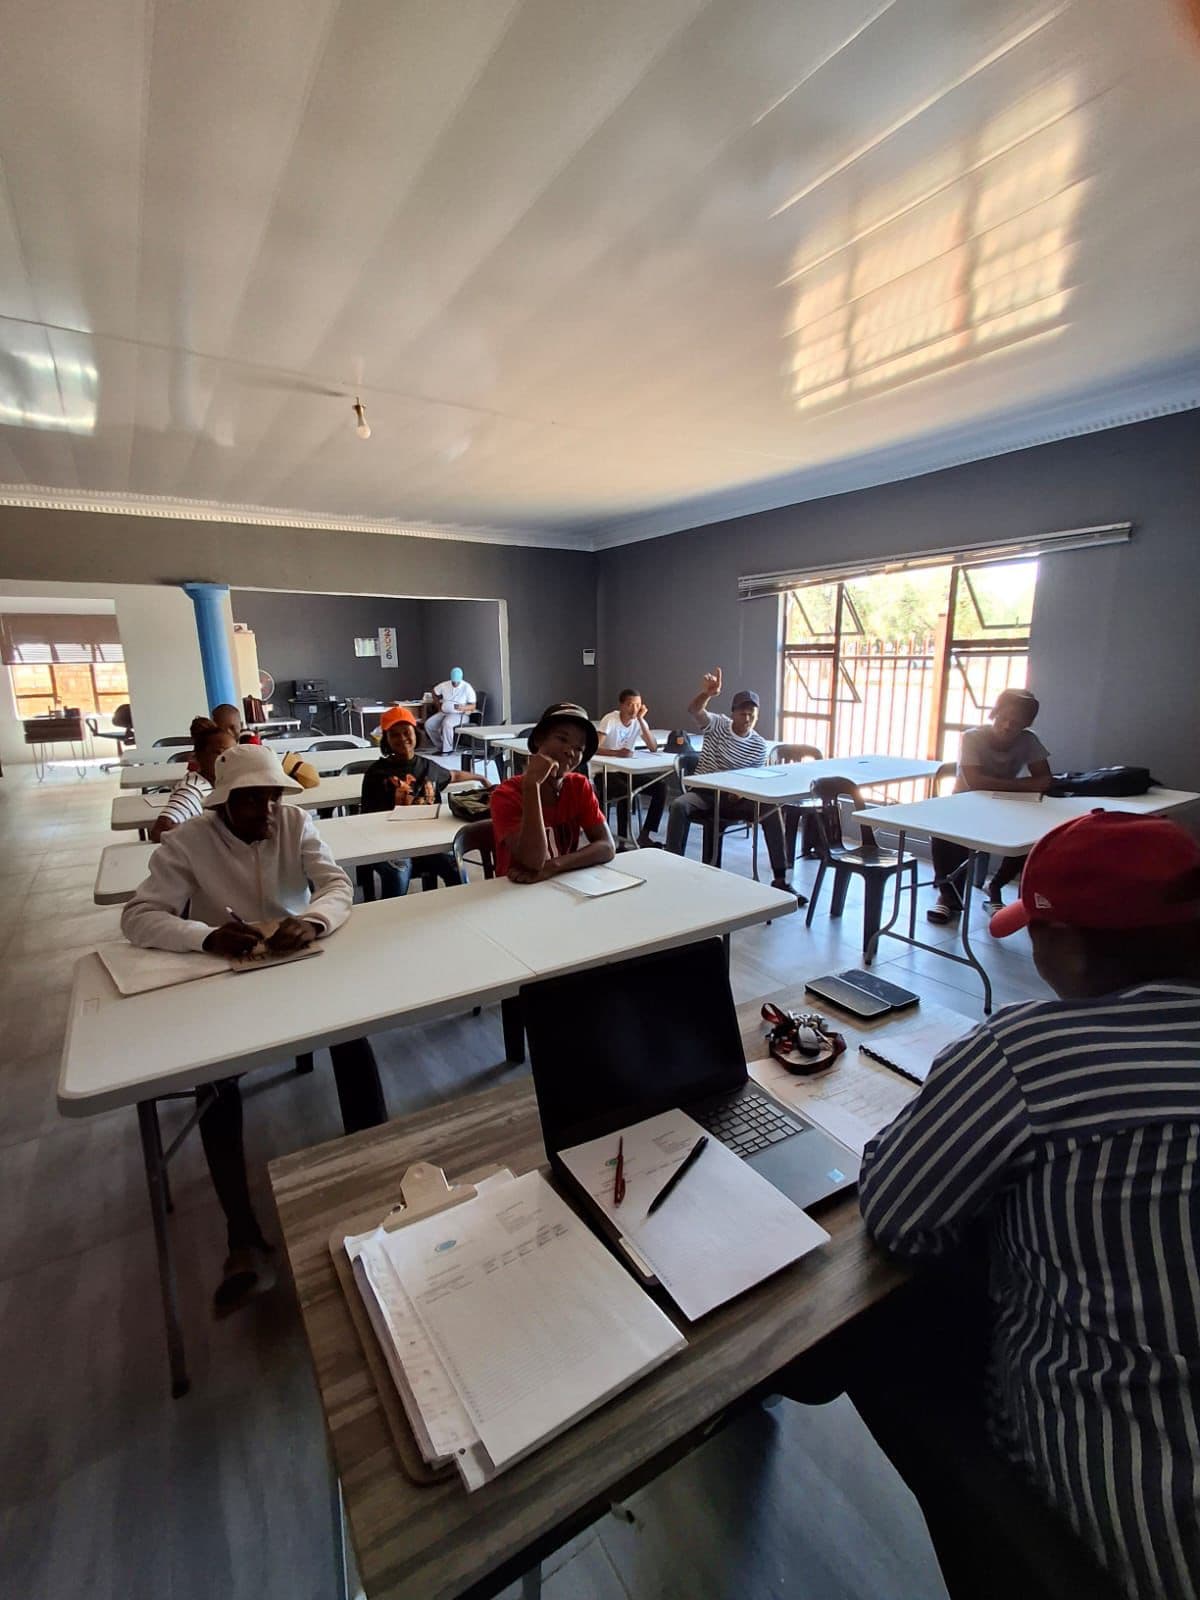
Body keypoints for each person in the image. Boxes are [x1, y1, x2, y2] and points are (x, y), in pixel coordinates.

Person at [841, 811, 1200, 1599]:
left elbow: (899, 1214)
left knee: (866, 1322)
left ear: (1065, 942)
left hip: (1130, 1519)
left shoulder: (1027, 1051)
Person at [121, 744, 387, 1311]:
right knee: (217, 1081)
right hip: (228, 973)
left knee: (353, 1038)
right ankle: (240, 1234)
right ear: (223, 804)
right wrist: (205, 936)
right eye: (251, 801)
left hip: (299, 962)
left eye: (272, 796)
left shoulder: (295, 821)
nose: (267, 810)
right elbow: (139, 916)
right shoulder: (188, 842)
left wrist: (312, 920)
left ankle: (379, 1182)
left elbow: (337, 885)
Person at [664, 668, 803, 900]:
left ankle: (780, 878)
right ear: (733, 713)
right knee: (679, 805)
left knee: (770, 810)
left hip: (736, 798)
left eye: (752, 714)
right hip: (705, 793)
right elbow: (694, 710)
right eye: (742, 713)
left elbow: (753, 779)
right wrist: (707, 694)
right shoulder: (717, 724)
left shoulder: (759, 745)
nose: (747, 718)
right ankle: (671, 865)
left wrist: (741, 792)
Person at [928, 687, 1051, 924]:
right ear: (995, 714)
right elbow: (975, 783)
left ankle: (995, 887)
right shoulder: (972, 737)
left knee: (1034, 838)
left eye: (1015, 723)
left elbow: (1045, 780)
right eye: (1004, 718)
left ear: (1025, 724)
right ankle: (948, 896)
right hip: (966, 803)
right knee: (943, 832)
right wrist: (1023, 784)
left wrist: (996, 785)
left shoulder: (1029, 740)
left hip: (1006, 805)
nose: (1007, 726)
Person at [357, 706, 474, 899]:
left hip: (427, 842)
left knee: (456, 867)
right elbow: (368, 819)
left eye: (406, 732)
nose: (402, 738)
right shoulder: (376, 773)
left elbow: (453, 775)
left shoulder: (428, 766)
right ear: (385, 739)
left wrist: (481, 779)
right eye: (394, 735)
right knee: (399, 872)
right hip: (389, 845)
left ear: (415, 734)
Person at [490, 702, 615, 882]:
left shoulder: (579, 786)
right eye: (562, 739)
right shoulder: (506, 794)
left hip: (561, 881)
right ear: (539, 739)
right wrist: (532, 785)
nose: (570, 751)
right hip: (516, 890)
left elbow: (607, 847)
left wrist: (554, 866)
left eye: (579, 748)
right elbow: (532, 862)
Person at [597, 689, 665, 847]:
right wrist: (616, 753)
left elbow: (653, 747)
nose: (634, 709)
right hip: (605, 772)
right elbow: (594, 747)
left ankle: (645, 834)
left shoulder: (638, 721)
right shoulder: (610, 719)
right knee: (624, 791)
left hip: (626, 771)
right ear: (621, 705)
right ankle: (622, 841)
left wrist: (641, 720)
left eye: (638, 705)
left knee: (661, 788)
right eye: (630, 705)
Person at [148, 719, 235, 842]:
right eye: (219, 753)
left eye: (233, 753)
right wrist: (211, 836)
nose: (228, 759)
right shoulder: (193, 789)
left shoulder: (225, 782)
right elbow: (161, 830)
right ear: (198, 757)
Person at [424, 667, 476, 754]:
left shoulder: (467, 687)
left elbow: (473, 706)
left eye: (457, 682)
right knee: (429, 724)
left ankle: (447, 750)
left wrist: (463, 708)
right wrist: (438, 706)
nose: (455, 684)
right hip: (444, 712)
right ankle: (441, 747)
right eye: (453, 682)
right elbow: (434, 692)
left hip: (460, 715)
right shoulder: (445, 685)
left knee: (447, 723)